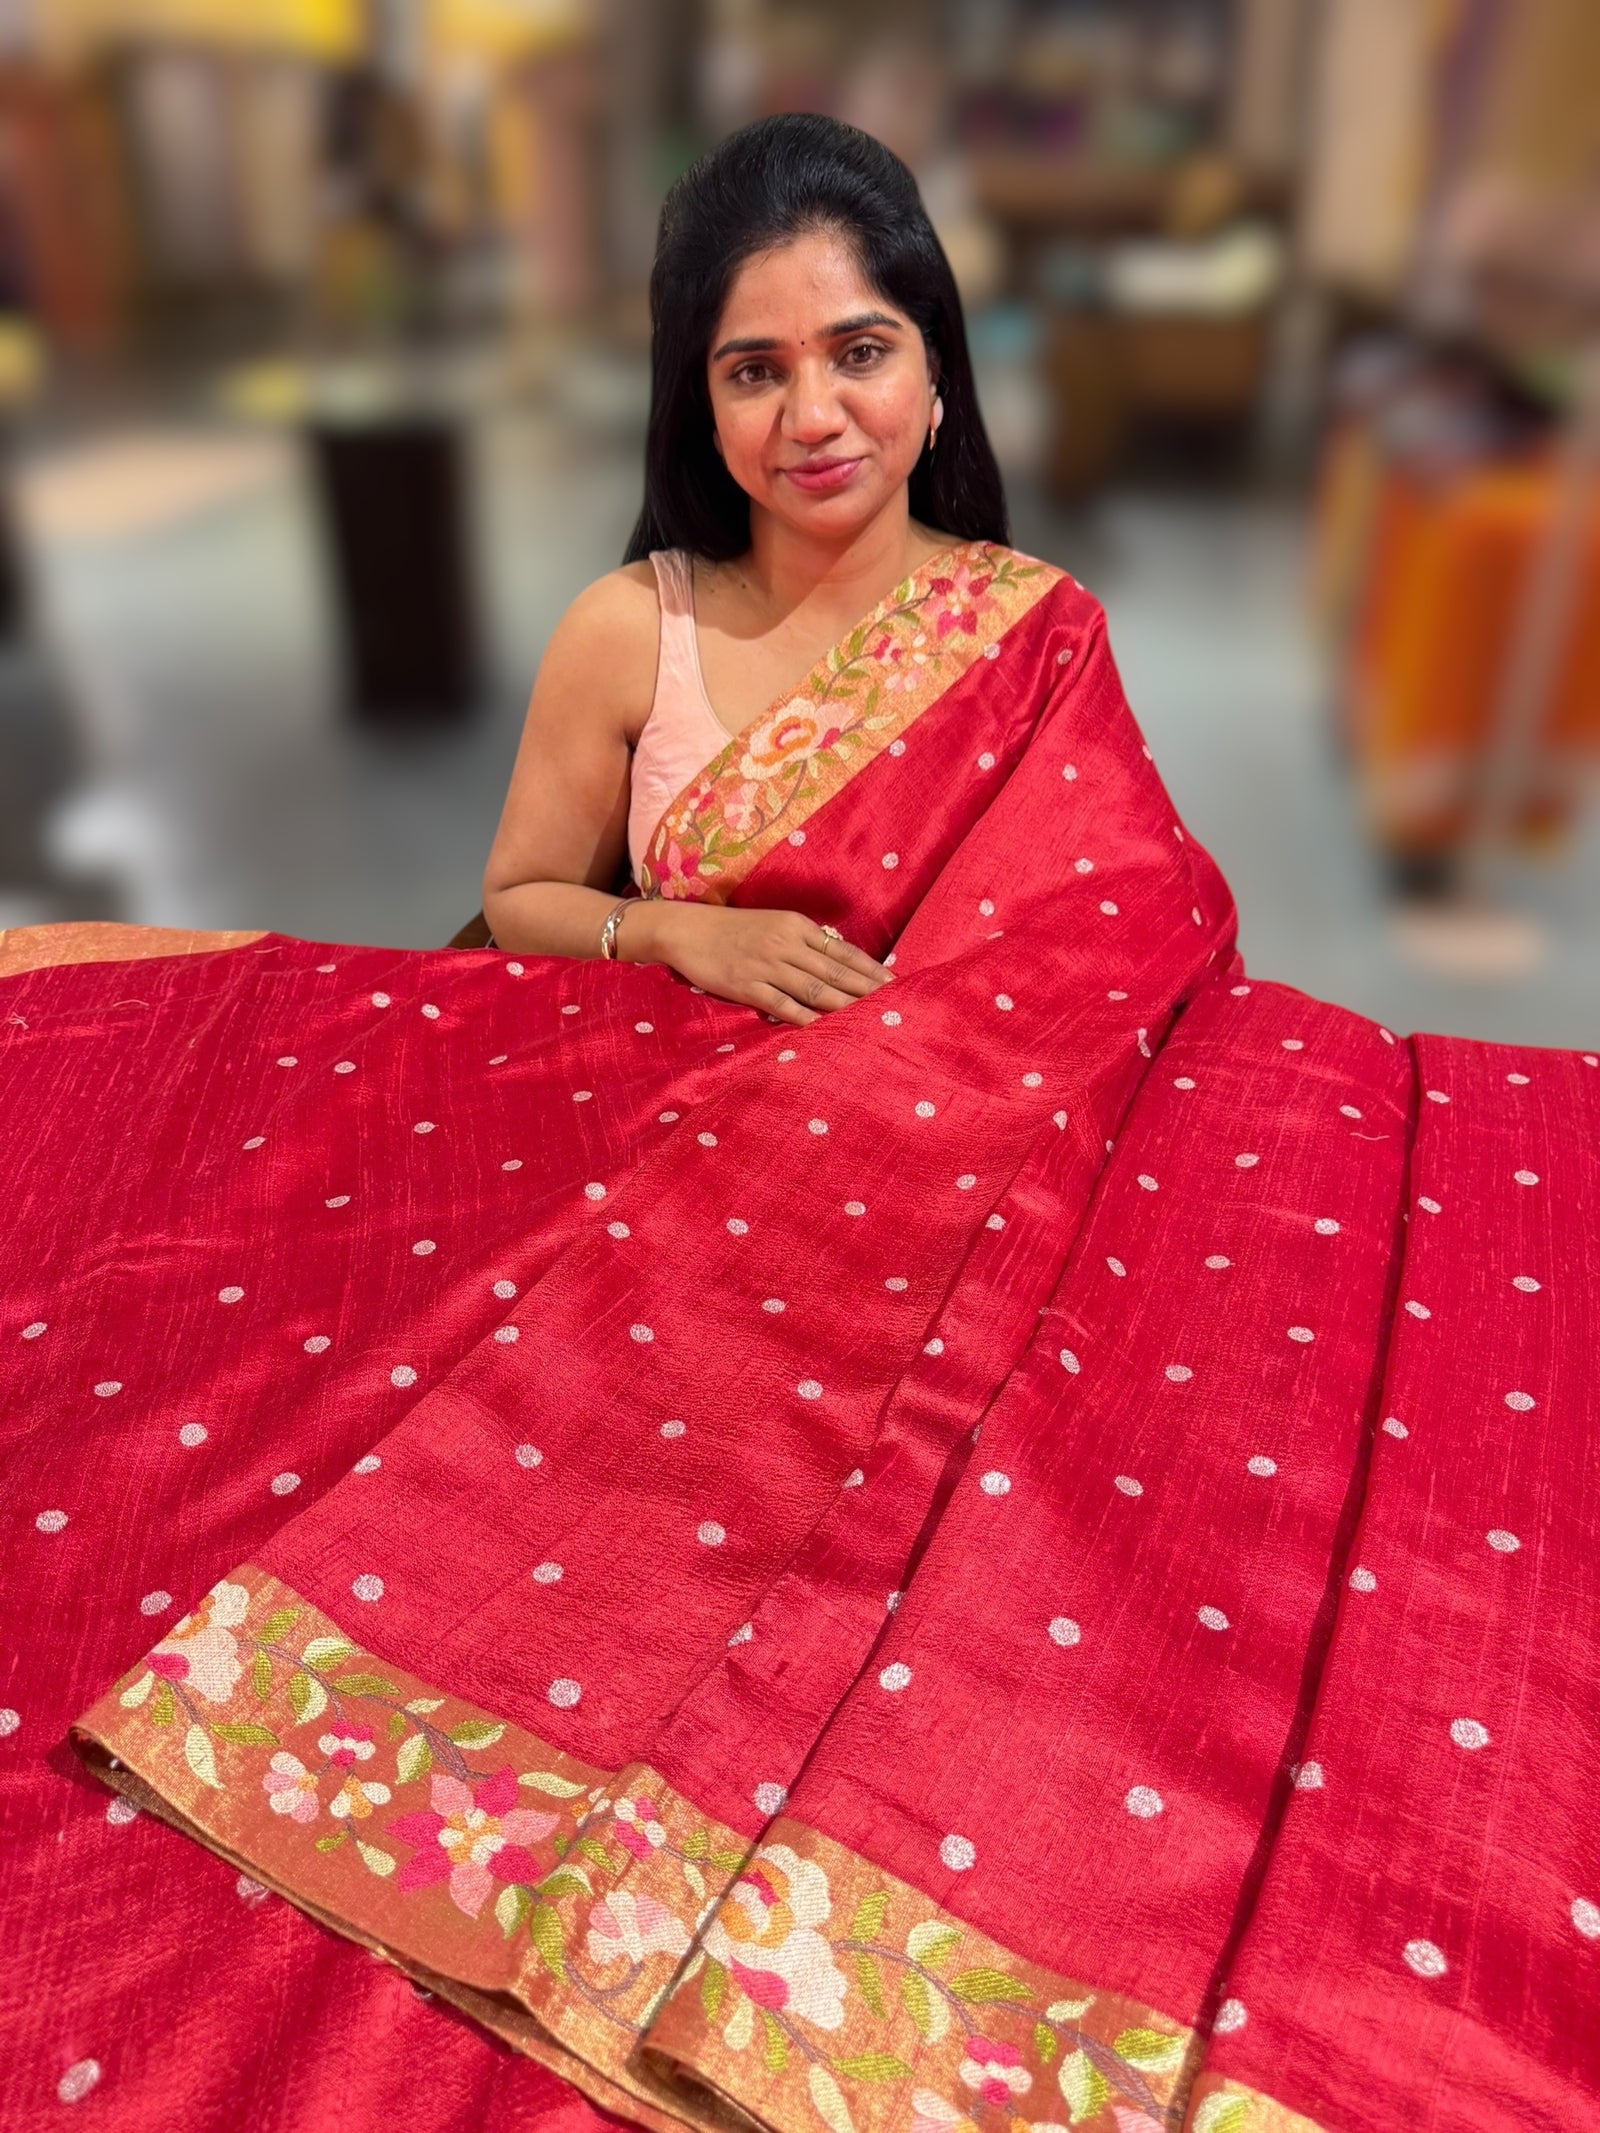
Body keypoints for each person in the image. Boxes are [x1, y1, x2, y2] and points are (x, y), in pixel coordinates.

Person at [2, 116, 1595, 2133]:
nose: (810, 412)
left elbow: (1121, 932)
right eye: (751, 368)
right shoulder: (636, 625)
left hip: (962, 1170)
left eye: (858, 349)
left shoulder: (1030, 627)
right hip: (667, 1162)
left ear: (935, 363)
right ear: (696, 396)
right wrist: (676, 930)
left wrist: (927, 1085)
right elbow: (519, 898)